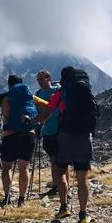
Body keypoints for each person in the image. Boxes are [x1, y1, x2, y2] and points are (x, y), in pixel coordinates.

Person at [38, 67, 98, 223]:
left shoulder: (60, 94)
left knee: (60, 172)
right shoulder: (86, 91)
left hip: (65, 136)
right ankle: (83, 214)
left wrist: (33, 121)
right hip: (84, 136)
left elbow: (46, 113)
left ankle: (64, 207)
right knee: (82, 178)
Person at [0, 74, 45, 206]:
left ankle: (7, 197)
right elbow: (48, 106)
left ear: (9, 85)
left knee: (6, 168)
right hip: (28, 135)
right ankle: (21, 199)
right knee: (24, 168)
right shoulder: (30, 97)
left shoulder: (5, 97)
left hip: (9, 134)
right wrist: (39, 120)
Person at [35, 69, 63, 198]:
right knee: (53, 160)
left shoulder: (57, 90)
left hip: (59, 129)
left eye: (42, 79)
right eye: (38, 80)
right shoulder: (38, 93)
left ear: (49, 78)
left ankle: (62, 186)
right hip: (47, 130)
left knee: (61, 161)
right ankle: (56, 186)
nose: (40, 82)